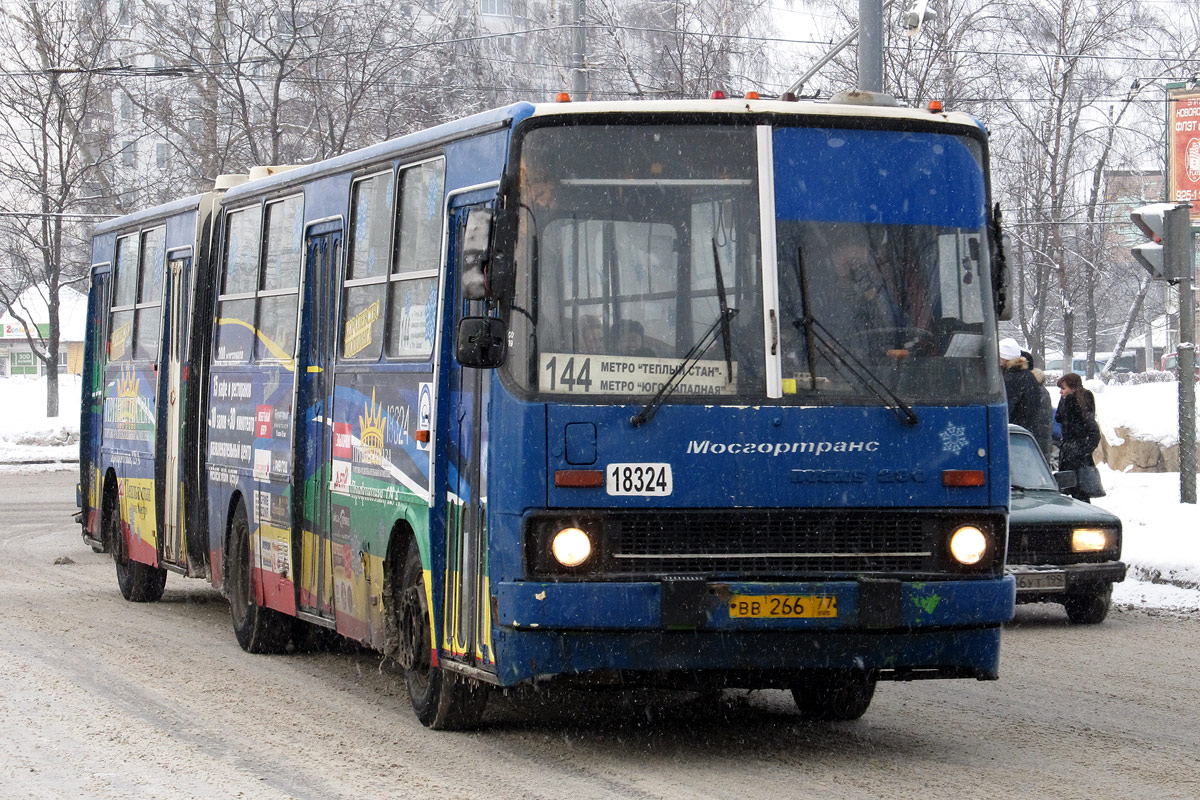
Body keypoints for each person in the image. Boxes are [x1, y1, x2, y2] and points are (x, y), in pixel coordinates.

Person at [1056, 372, 1102, 503]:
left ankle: (1083, 522)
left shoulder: (1082, 405)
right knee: (1070, 494)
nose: (1060, 392)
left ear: (1073, 388)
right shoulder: (1068, 403)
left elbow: (1094, 433)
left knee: (1079, 494)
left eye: (1063, 388)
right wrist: (1064, 400)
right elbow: (1058, 417)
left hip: (1077, 459)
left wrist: (1082, 451)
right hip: (1069, 455)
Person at [1021, 347, 1055, 459]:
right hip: (1036, 449)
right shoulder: (1038, 389)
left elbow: (1041, 427)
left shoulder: (1034, 390)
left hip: (1032, 449)